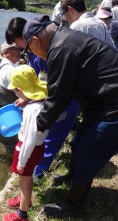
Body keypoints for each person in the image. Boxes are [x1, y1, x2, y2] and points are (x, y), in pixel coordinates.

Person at [22, 14, 118, 217]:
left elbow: (58, 97)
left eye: (30, 49)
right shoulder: (63, 39)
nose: (33, 54)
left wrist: (35, 128)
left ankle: (73, 207)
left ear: (35, 41)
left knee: (88, 151)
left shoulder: (60, 49)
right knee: (78, 141)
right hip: (105, 100)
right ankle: (73, 178)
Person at [5, 17, 80, 184]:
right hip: (50, 100)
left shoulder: (44, 53)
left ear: (25, 36)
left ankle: (37, 175)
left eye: (17, 43)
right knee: (45, 137)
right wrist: (28, 99)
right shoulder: (35, 51)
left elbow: (51, 85)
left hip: (63, 103)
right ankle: (36, 172)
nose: (18, 47)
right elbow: (38, 83)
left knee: (50, 139)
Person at [2, 65, 49, 221]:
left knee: (24, 179)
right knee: (27, 176)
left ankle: (22, 214)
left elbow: (29, 140)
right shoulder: (43, 101)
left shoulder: (31, 111)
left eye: (16, 90)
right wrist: (26, 99)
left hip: (27, 149)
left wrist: (21, 162)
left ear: (20, 89)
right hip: (39, 147)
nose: (15, 93)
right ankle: (25, 200)